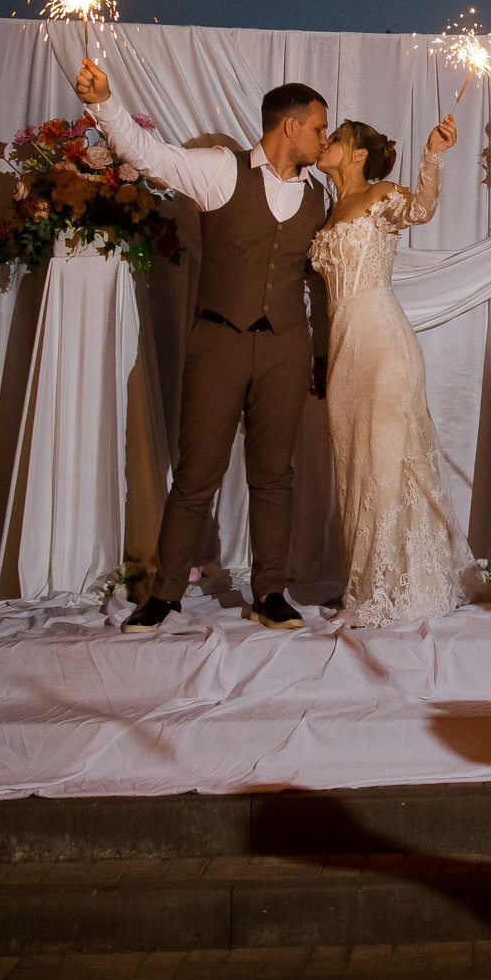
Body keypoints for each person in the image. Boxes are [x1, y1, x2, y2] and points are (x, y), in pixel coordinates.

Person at [79, 58, 332, 633]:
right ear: (288, 126)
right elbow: (149, 154)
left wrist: (319, 355)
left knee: (275, 474)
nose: (324, 138)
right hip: (218, 341)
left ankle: (269, 591)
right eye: (319, 127)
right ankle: (164, 595)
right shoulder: (221, 170)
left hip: (286, 349)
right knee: (196, 474)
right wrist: (104, 102)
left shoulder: (319, 195)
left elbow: (320, 282)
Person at [310, 113, 470, 625]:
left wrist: (434, 155)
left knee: (386, 458)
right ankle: (366, 578)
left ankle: (389, 586)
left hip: (383, 340)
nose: (326, 142)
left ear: (357, 154)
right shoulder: (327, 214)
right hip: (342, 348)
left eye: (335, 138)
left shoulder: (379, 196)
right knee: (353, 461)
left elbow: (422, 209)